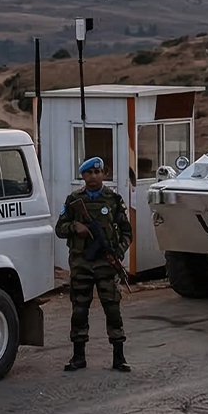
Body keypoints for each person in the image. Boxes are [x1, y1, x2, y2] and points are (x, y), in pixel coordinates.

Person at [54, 156, 133, 372]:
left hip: (106, 264)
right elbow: (60, 228)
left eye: (98, 172)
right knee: (79, 310)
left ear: (104, 174)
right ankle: (78, 357)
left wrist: (118, 252)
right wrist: (75, 227)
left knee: (112, 309)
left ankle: (119, 357)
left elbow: (127, 232)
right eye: (89, 173)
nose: (94, 176)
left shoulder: (113, 200)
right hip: (82, 263)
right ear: (83, 175)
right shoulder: (74, 200)